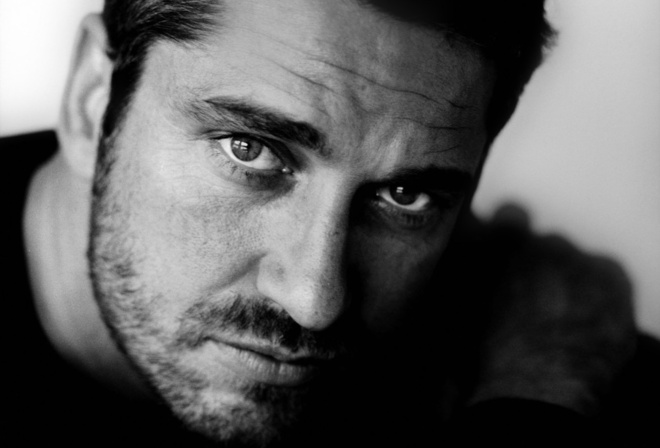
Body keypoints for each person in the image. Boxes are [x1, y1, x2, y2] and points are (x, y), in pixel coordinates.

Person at [6, 0, 659, 446]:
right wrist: (533, 408)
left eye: (405, 194)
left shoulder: (531, 331)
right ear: (92, 101)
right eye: (250, 151)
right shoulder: (545, 371)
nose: (315, 300)